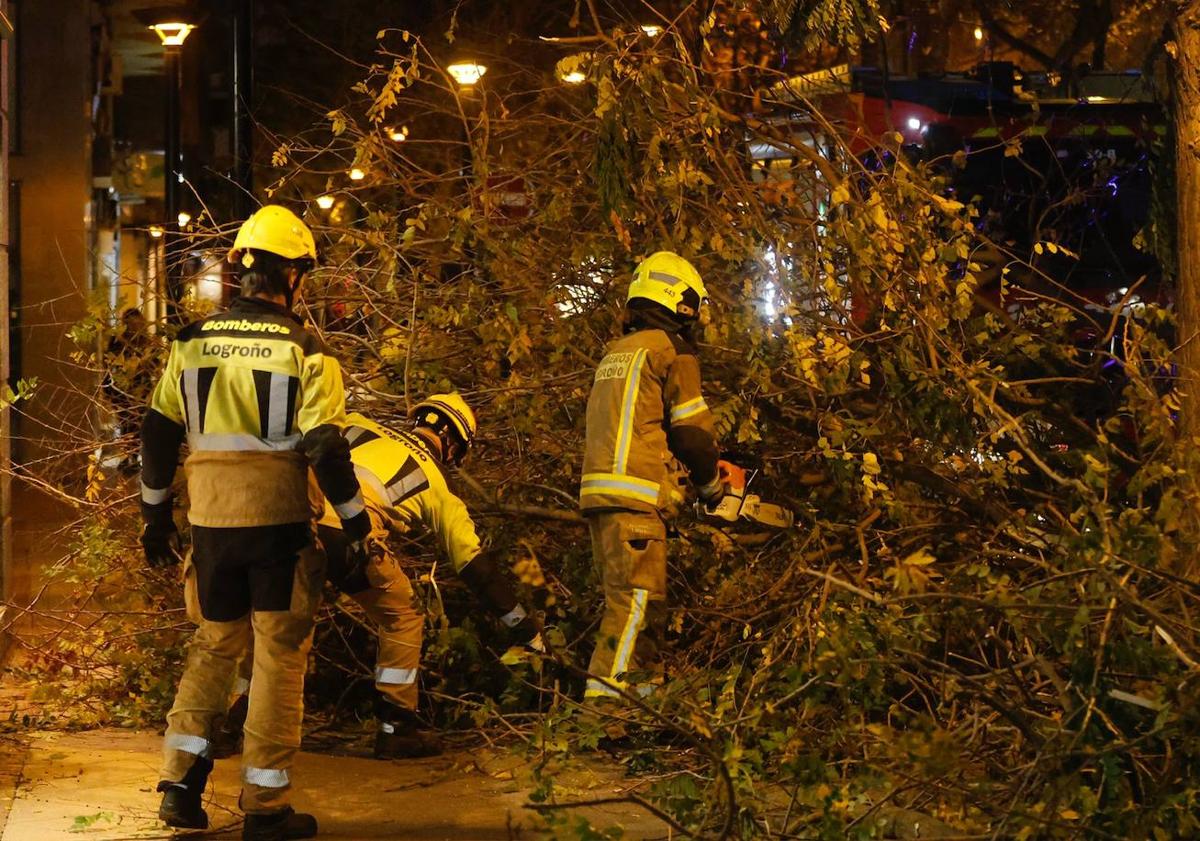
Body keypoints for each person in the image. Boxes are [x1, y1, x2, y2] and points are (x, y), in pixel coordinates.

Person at [140, 205, 370, 841]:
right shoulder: (307, 349)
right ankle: (265, 810)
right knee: (277, 659)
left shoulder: (190, 343)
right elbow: (324, 444)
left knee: (213, 647)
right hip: (277, 527)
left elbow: (157, 432)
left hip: (210, 527)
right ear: (294, 275)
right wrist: (356, 524)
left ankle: (180, 788)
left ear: (240, 266)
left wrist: (154, 515)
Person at [222, 394, 541, 759]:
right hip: (349, 534)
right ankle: (397, 725)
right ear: (452, 443)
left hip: (287, 516)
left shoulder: (360, 423)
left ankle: (229, 720)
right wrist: (522, 626)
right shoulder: (440, 487)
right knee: (403, 614)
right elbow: (475, 568)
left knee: (273, 619)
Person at [579, 252, 739, 700]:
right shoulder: (672, 351)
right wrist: (711, 488)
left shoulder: (618, 352)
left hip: (602, 493)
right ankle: (604, 711)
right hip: (636, 496)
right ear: (681, 301)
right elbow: (692, 434)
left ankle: (642, 706)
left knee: (643, 605)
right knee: (633, 607)